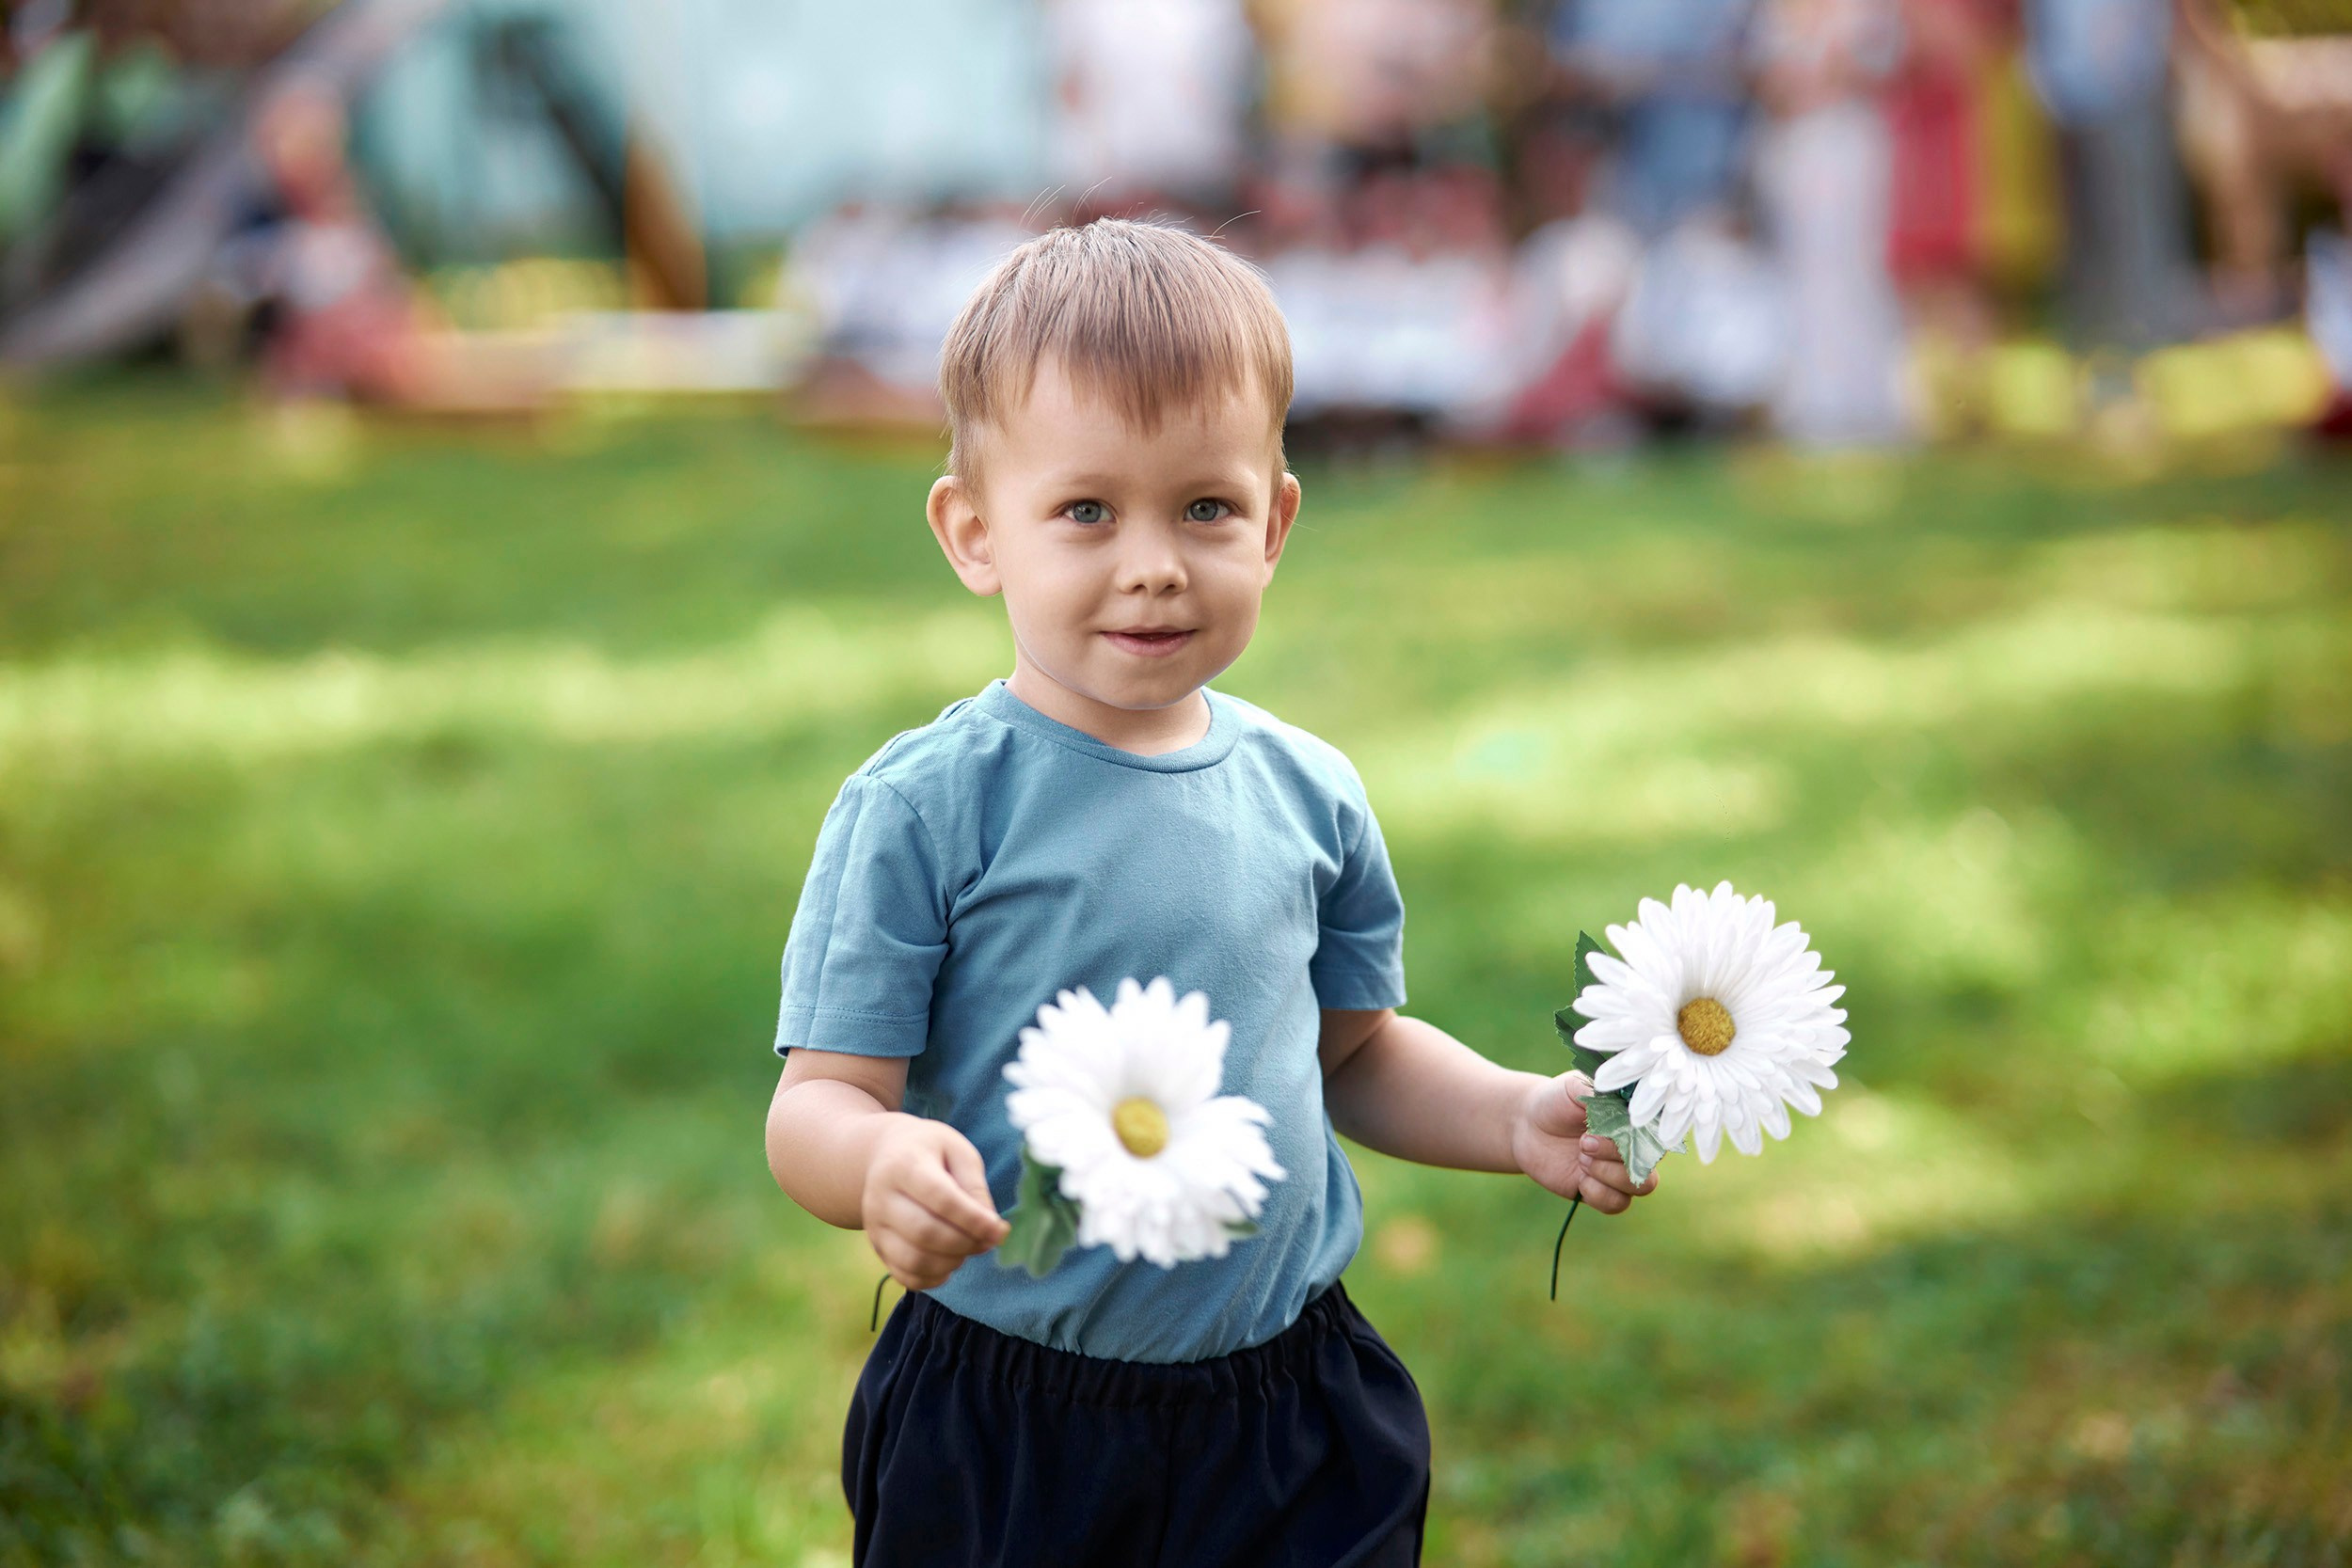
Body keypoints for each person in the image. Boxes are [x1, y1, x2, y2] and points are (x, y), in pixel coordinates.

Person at [761, 218, 1658, 1567]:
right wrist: (878, 1160)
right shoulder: (926, 810)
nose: (1153, 564)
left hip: (1287, 1406)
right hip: (1014, 1410)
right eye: (1085, 512)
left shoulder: (1307, 794)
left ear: (1276, 521)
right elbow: (817, 1102)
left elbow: (1349, 1052)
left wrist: (1512, 1118)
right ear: (973, 531)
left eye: (1204, 508)